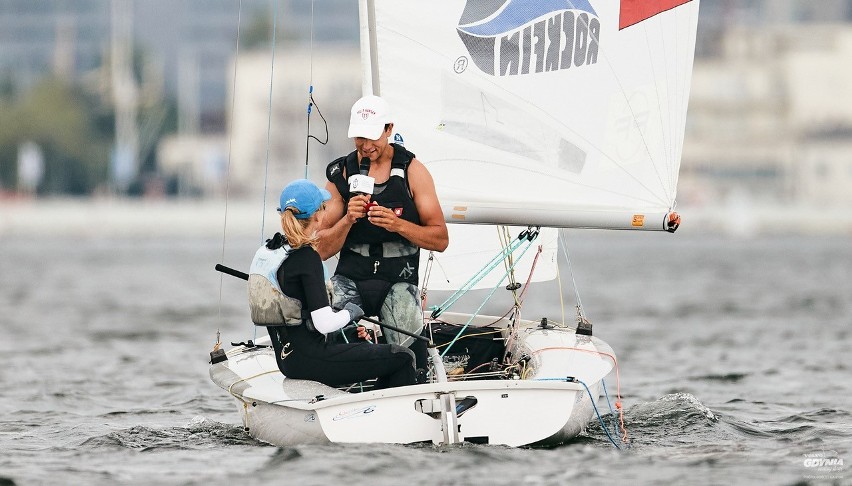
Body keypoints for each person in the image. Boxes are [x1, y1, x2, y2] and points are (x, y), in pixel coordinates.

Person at [318, 95, 449, 374]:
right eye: (359, 138)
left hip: (398, 279)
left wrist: (396, 224)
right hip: (351, 276)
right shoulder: (341, 174)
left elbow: (440, 239)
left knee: (410, 360)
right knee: (336, 346)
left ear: (389, 129)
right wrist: (348, 220)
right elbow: (319, 249)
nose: (366, 146)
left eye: (372, 137)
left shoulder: (414, 171)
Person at [248, 178, 416, 389]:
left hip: (288, 361)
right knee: (402, 357)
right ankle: (389, 414)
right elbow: (324, 323)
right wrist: (351, 312)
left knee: (367, 350)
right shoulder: (307, 257)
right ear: (318, 216)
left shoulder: (271, 251)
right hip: (313, 360)